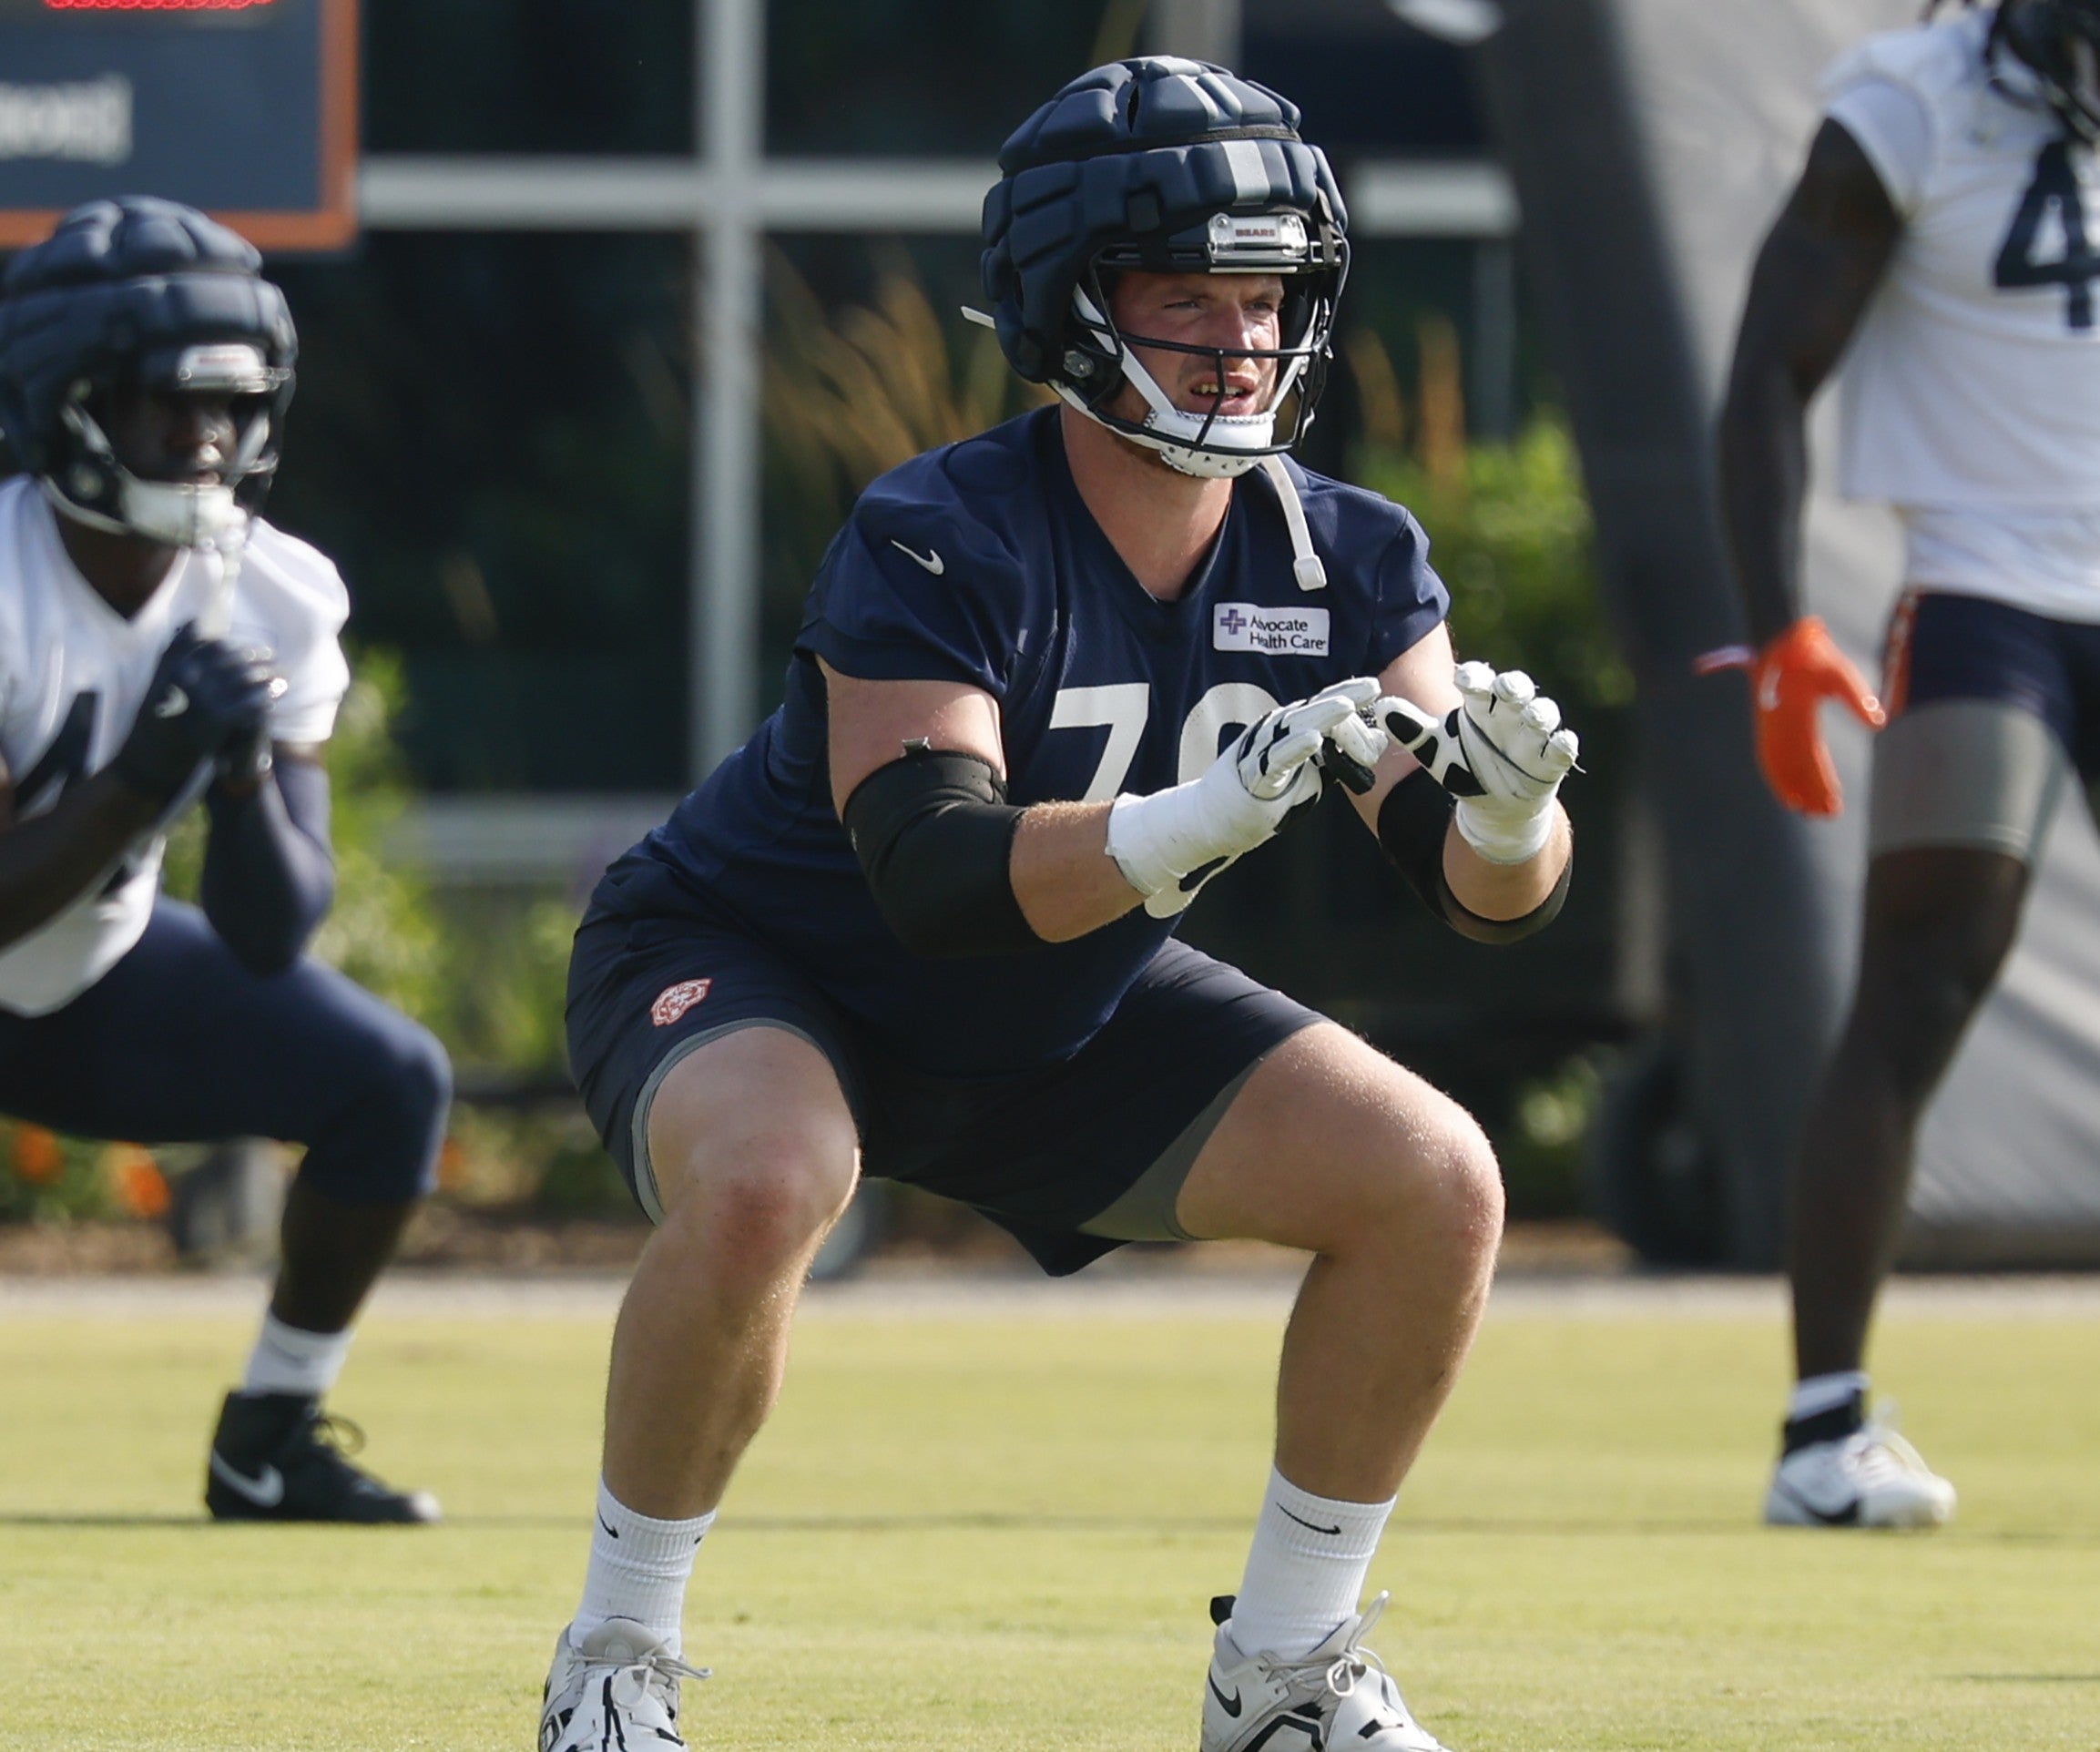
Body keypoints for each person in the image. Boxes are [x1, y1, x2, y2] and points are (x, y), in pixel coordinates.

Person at [544, 57, 1579, 1752]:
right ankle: (616, 1657)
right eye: (1187, 298)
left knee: (1434, 1181)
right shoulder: (940, 527)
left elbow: (1477, 896)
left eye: (1266, 299)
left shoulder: (1349, 556)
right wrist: (1192, 816)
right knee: (766, 1183)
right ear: (1067, 308)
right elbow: (937, 871)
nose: (1238, 344)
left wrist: (1514, 813)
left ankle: (1286, 1671)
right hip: (772, 965)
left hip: (1059, 998)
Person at [0, 197, 452, 1523]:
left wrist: (243, 764)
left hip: (98, 972)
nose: (207, 440)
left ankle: (270, 1438)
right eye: (167, 404)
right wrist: (149, 771)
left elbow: (272, 931)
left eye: (231, 406)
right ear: (68, 399)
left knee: (390, 1081)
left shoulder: (277, 591)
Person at [1718, 0, 2100, 1529]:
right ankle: (1822, 1431)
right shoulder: (1908, 104)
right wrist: (1774, 631)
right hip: (1986, 594)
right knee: (1923, 977)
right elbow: (1762, 374)